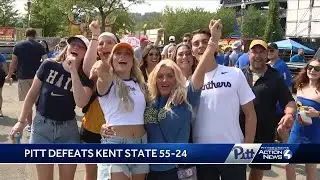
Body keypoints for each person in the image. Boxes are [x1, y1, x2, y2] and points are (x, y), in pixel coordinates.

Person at [144, 19, 222, 180]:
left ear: (176, 78)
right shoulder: (149, 99)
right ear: (154, 79)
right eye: (160, 76)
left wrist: (213, 41)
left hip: (178, 170)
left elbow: (200, 69)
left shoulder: (187, 96)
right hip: (150, 170)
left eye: (169, 76)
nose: (164, 80)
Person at [10, 35, 93, 180]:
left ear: (86, 53)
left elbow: (81, 102)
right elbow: (31, 95)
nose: (75, 48)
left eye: (81, 47)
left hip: (68, 132)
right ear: (67, 47)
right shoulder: (48, 65)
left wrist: (73, 71)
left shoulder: (85, 78)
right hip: (42, 128)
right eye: (73, 44)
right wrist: (21, 122)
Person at [190, 28, 257, 179]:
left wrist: (248, 149)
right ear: (192, 50)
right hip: (202, 154)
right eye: (196, 43)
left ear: (214, 46)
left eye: (205, 42)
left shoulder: (235, 74)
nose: (201, 46)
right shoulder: (189, 83)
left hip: (233, 151)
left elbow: (250, 114)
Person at [240, 40, 297, 180]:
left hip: (264, 131)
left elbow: (289, 101)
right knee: (236, 170)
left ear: (267, 54)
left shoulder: (275, 76)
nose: (258, 56)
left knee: (257, 171)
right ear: (249, 54)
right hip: (239, 130)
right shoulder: (239, 75)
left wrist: (289, 114)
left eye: (262, 52)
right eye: (254, 52)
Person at [92, 42, 148, 180]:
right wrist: (102, 67)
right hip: (115, 144)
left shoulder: (141, 85)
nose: (123, 57)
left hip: (141, 144)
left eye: (127, 54)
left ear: (132, 61)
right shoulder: (108, 82)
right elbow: (103, 78)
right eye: (118, 53)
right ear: (112, 59)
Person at [80, 21, 119, 180]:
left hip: (116, 134)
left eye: (110, 42)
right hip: (91, 130)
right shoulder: (96, 67)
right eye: (101, 44)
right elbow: (86, 68)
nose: (105, 46)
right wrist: (95, 35)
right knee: (91, 174)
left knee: (112, 174)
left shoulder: (125, 69)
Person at [5, 28, 47, 132]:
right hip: (38, 77)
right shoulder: (40, 46)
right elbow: (46, 61)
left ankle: (31, 125)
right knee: (39, 101)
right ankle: (39, 123)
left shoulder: (18, 45)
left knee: (27, 102)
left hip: (23, 77)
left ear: (25, 34)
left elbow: (13, 63)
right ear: (35, 35)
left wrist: (9, 76)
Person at [286, 59, 320, 180]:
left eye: (317, 69)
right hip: (297, 131)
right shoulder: (301, 85)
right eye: (310, 67)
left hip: (314, 134)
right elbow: (297, 105)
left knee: (310, 169)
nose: (312, 70)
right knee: (288, 164)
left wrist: (317, 114)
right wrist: (289, 116)